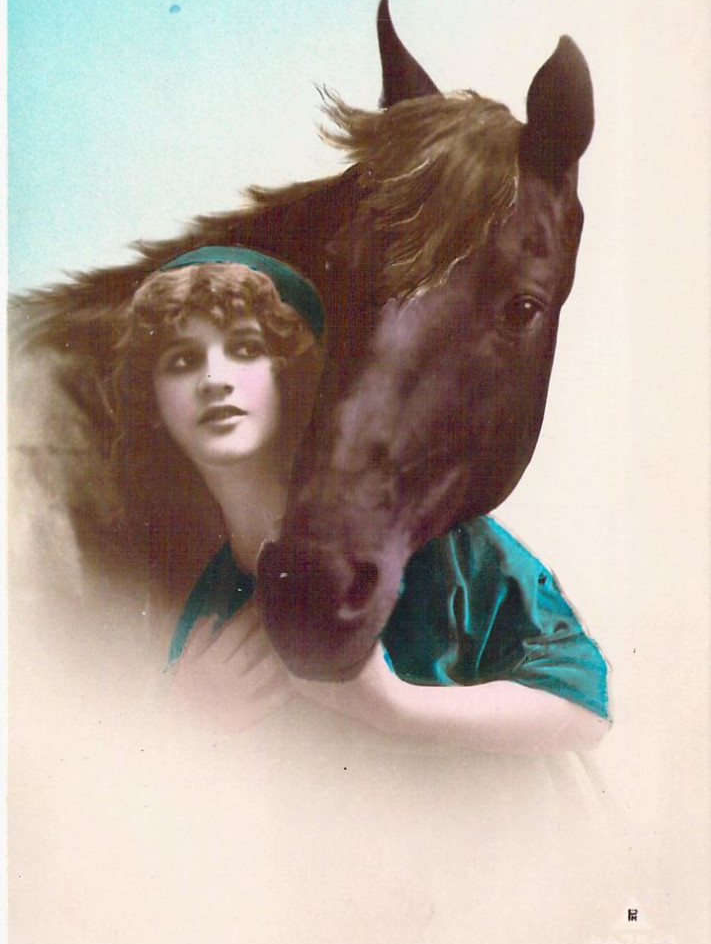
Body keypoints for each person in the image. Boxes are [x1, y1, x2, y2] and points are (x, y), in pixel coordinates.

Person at [110, 245, 610, 750]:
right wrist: (183, 716)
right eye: (181, 360)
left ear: (289, 373)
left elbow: (585, 706)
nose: (214, 381)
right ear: (153, 401)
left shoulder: (432, 544)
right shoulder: (209, 609)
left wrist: (393, 708)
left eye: (244, 349)